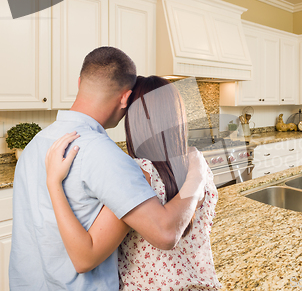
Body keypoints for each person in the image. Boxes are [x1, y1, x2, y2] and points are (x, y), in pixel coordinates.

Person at [9, 47, 207, 290]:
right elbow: (165, 234)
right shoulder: (105, 155)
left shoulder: (35, 144)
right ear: (125, 98)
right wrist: (197, 176)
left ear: (80, 81)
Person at [44, 76, 222, 290]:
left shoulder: (139, 174)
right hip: (202, 284)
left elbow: (85, 257)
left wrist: (53, 182)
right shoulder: (198, 165)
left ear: (134, 120)